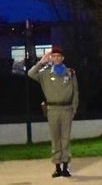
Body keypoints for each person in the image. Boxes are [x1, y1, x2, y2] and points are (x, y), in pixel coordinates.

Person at [30, 46, 79, 177]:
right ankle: (57, 166)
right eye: (54, 56)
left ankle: (65, 166)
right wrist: (41, 62)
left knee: (65, 138)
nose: (56, 58)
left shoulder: (70, 72)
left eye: (59, 56)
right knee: (55, 138)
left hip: (66, 109)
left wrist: (74, 108)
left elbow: (75, 92)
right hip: (52, 109)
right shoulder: (46, 73)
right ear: (51, 58)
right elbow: (31, 73)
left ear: (62, 58)